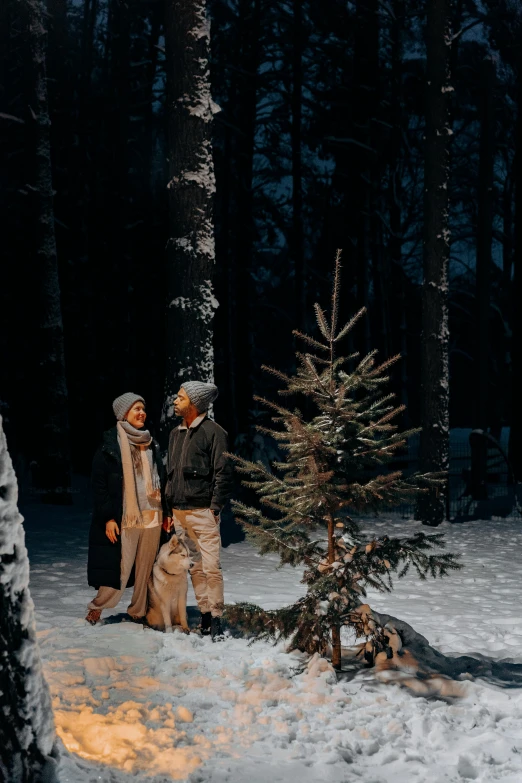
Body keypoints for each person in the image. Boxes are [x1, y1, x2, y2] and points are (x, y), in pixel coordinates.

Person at [86, 393, 171, 625]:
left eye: (143, 408)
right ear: (123, 414)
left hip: (153, 515)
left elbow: (161, 481)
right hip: (127, 518)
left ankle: (139, 610)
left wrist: (167, 513)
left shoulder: (151, 442)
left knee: (146, 569)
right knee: (120, 569)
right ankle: (97, 606)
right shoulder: (110, 445)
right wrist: (108, 518)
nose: (141, 413)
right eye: (136, 409)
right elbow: (99, 486)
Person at [165, 381, 233, 641]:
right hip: (179, 512)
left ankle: (216, 617)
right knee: (194, 567)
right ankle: (204, 613)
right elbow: (170, 474)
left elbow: (223, 472)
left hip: (203, 511)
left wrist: (215, 508)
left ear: (194, 403)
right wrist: (169, 507)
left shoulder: (214, 432)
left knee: (212, 567)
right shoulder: (175, 434)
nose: (175, 401)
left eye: (180, 398)